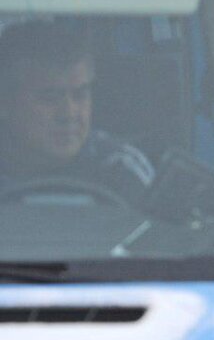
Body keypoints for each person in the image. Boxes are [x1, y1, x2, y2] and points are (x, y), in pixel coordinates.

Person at [0, 20, 155, 203]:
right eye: (49, 98)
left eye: (80, 95)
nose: (69, 114)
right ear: (5, 104)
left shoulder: (121, 169)